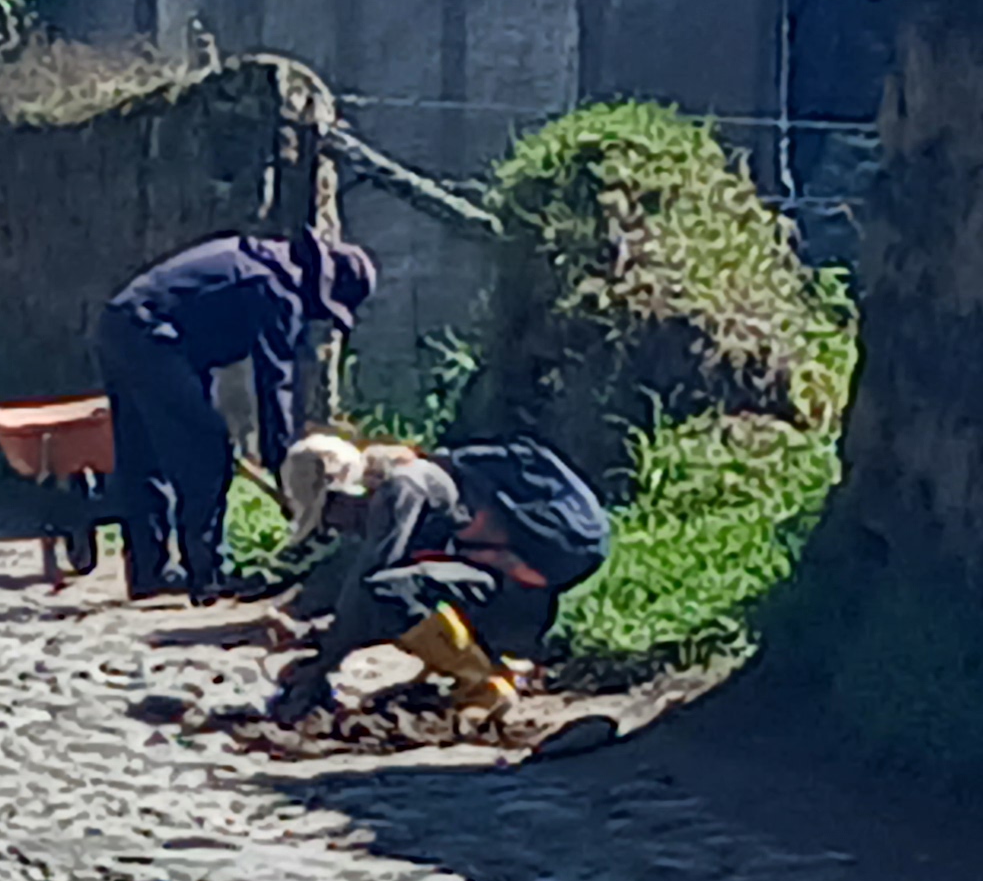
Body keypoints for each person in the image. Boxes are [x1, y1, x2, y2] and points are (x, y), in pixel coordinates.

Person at [93, 230, 379, 602]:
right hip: (153, 336)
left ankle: (151, 570)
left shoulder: (267, 265)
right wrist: (289, 470)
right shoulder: (278, 290)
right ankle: (210, 572)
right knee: (207, 449)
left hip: (121, 325)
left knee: (145, 455)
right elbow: (275, 384)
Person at [268, 435, 611, 721]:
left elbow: (365, 587)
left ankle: (484, 688)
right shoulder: (417, 484)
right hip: (523, 594)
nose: (336, 529)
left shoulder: (404, 487)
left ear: (341, 496)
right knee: (404, 591)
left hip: (522, 591)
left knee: (385, 592)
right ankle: (497, 669)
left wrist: (320, 667)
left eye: (327, 519)